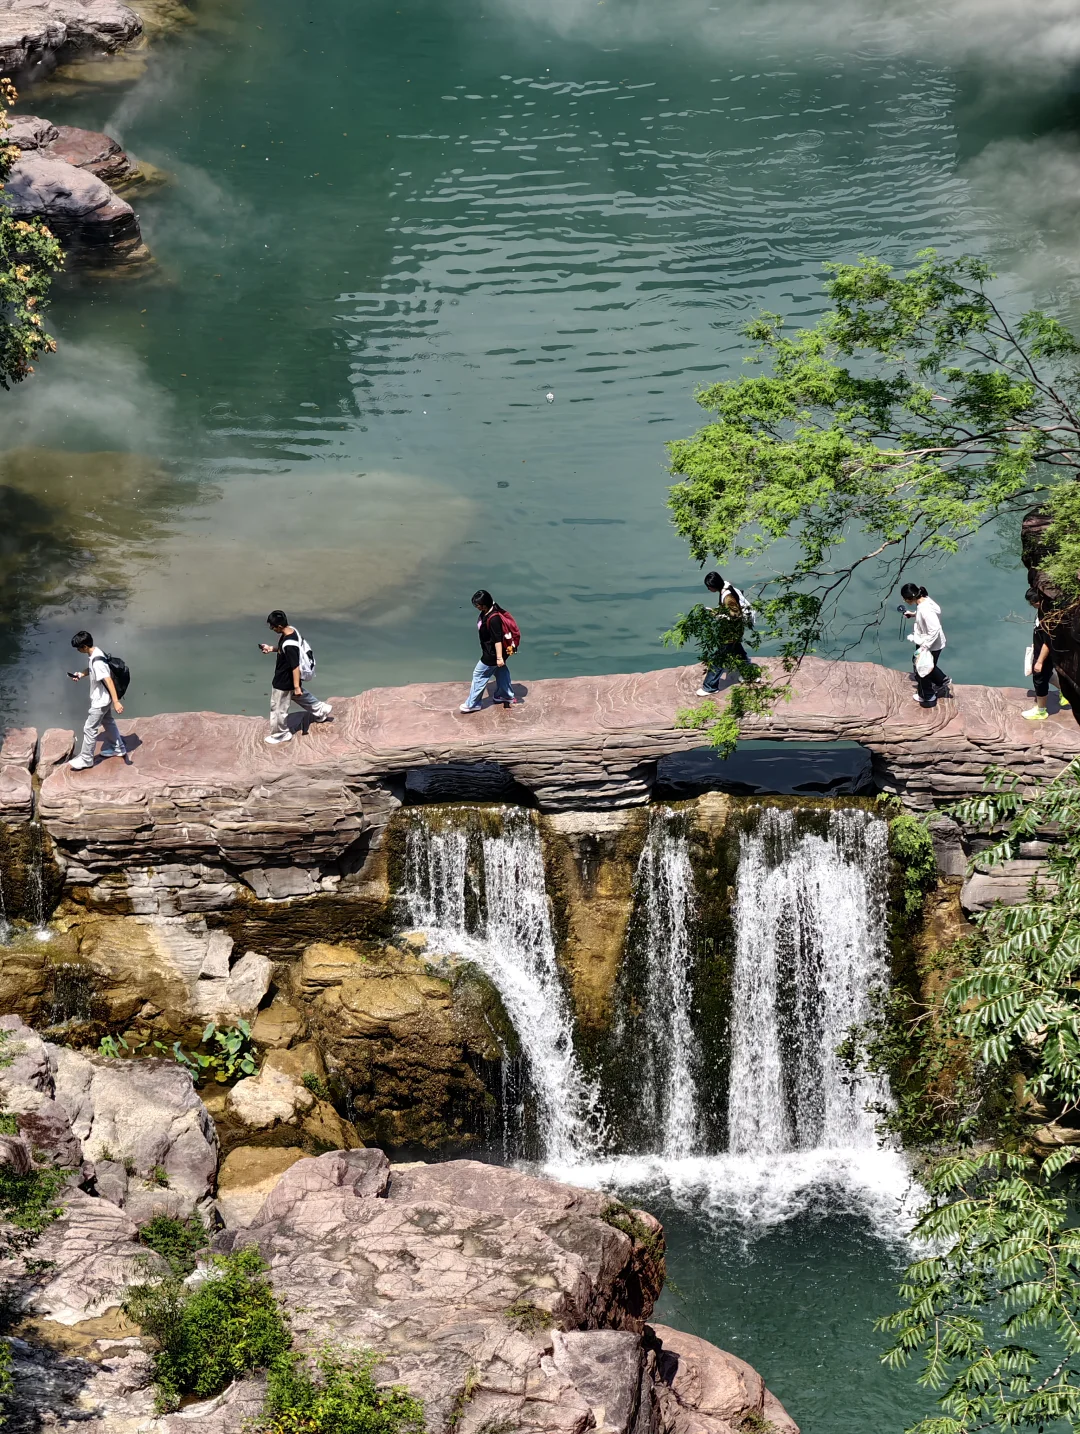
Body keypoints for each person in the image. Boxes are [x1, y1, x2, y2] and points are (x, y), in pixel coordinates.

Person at [259, 611, 332, 744]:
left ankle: (280, 734)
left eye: (273, 627)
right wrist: (272, 648)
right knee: (297, 695)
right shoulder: (291, 631)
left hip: (284, 679)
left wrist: (297, 686)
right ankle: (321, 710)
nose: (272, 629)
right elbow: (285, 650)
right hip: (289, 679)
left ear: (280, 626)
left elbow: (295, 666)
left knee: (278, 707)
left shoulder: (290, 644)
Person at [68, 631, 127, 770]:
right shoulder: (96, 652)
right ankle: (118, 748)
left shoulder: (97, 662)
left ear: (84, 646)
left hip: (100, 701)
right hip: (104, 699)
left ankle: (86, 759)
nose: (78, 650)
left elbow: (108, 680)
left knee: (89, 728)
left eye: (78, 648)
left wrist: (116, 701)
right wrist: (81, 674)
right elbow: (92, 669)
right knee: (108, 721)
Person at [460, 590, 516, 712]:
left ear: (485, 604)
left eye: (478, 605)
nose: (476, 607)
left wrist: (499, 658)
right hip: (495, 652)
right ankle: (505, 695)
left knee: (479, 675)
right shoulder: (491, 608)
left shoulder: (494, 619)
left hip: (493, 654)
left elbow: (497, 640)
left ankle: (473, 703)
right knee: (501, 671)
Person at [697, 571, 750, 697]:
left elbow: (736, 615)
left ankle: (710, 686)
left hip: (731, 633)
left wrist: (717, 615)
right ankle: (750, 674)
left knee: (719, 659)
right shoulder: (726, 589)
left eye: (709, 586)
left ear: (714, 585)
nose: (708, 588)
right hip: (735, 630)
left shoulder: (727, 597)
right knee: (738, 652)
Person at [1023, 587, 1070, 721]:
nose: (1031, 605)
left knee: (1040, 679)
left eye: (1033, 602)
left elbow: (1048, 641)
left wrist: (1039, 662)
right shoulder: (1042, 611)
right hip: (1039, 650)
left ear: (1040, 601)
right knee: (1048, 675)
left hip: (1045, 654)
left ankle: (1041, 710)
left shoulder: (1049, 617)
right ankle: (1066, 692)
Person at [902, 583, 949, 708]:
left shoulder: (924, 609)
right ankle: (941, 680)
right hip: (936, 643)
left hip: (929, 645)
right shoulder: (925, 601)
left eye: (905, 598)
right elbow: (928, 616)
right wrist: (913, 614)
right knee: (927, 664)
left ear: (909, 598)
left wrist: (925, 646)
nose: (904, 601)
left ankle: (927, 695)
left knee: (921, 669)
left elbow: (935, 629)